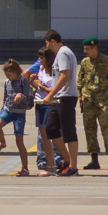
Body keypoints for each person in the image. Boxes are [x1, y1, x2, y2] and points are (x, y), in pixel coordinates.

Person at [79, 37, 108, 170]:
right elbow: (80, 78)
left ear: (95, 48)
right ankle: (94, 160)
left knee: (107, 129)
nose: (85, 51)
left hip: (101, 102)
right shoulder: (85, 62)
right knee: (89, 131)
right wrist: (80, 95)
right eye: (84, 49)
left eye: (87, 49)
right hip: (88, 101)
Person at [37, 29, 80, 176]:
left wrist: (50, 94)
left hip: (65, 97)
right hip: (59, 98)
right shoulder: (62, 53)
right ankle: (67, 160)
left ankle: (73, 167)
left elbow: (64, 76)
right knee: (51, 129)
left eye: (47, 44)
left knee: (69, 132)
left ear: (53, 42)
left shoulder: (62, 53)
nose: (47, 47)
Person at [0, 59, 34, 176]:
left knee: (19, 141)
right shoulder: (7, 82)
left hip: (19, 112)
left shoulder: (23, 82)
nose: (8, 77)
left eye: (9, 75)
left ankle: (25, 168)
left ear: (16, 72)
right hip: (8, 110)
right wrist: (0, 114)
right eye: (6, 75)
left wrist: (20, 96)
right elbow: (5, 99)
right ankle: (2, 142)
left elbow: (27, 97)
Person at [28, 47, 66, 175]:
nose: (39, 60)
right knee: (44, 137)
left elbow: (55, 90)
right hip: (39, 103)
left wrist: (41, 86)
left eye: (41, 57)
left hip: (50, 104)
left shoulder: (54, 72)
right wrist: (32, 82)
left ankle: (55, 164)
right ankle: (50, 165)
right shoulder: (41, 69)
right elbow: (37, 88)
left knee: (51, 135)